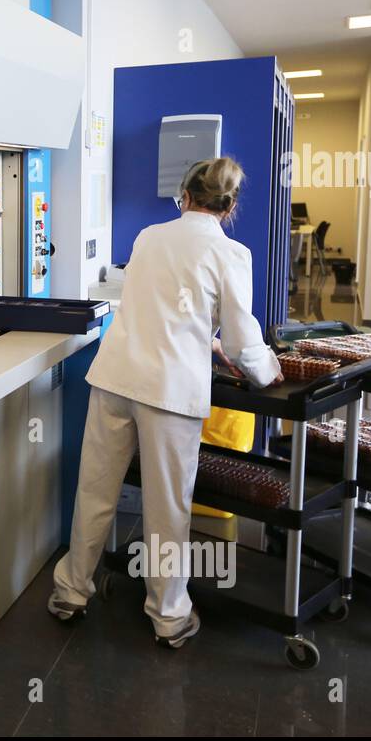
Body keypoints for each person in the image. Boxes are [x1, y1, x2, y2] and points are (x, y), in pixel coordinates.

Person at [47, 157, 282, 648]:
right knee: (166, 507)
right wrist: (266, 370)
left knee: (94, 491)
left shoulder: (149, 237)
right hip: (169, 393)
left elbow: (159, 307)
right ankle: (169, 616)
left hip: (115, 378)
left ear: (186, 196)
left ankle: (70, 590)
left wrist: (206, 339)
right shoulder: (231, 253)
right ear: (230, 205)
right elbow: (242, 342)